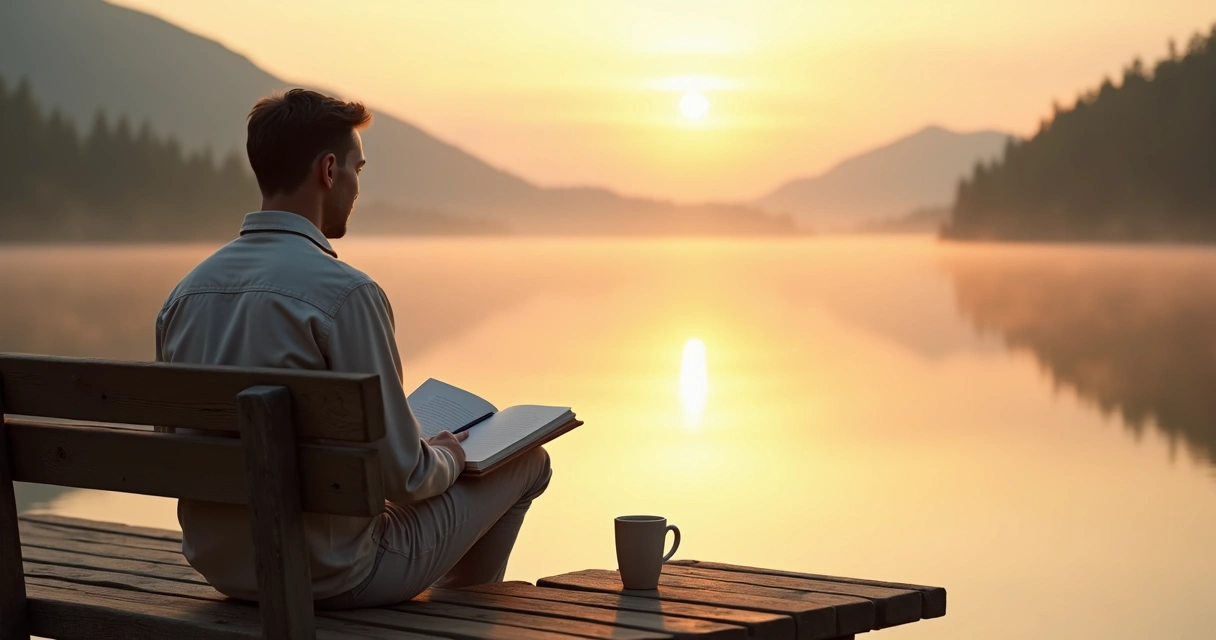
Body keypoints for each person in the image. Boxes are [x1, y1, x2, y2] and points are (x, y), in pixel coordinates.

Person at [155, 89, 552, 608]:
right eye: (357, 170)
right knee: (527, 462)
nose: (356, 187)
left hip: (225, 567)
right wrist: (449, 456)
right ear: (328, 170)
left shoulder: (184, 295)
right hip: (333, 573)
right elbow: (405, 478)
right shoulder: (346, 295)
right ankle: (456, 619)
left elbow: (174, 445)